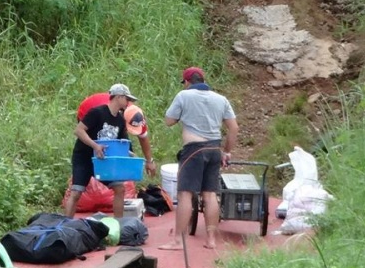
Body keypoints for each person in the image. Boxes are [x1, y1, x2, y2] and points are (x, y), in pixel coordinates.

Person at [159, 67, 239, 250]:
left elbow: (169, 121)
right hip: (214, 149)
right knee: (210, 195)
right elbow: (234, 128)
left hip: (193, 150)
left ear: (187, 82)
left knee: (185, 193)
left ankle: (178, 240)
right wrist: (226, 152)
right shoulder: (221, 99)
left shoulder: (183, 96)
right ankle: (211, 240)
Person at [65, 84, 156, 219]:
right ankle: (65, 225)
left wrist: (135, 158)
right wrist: (95, 146)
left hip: (104, 162)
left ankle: (118, 224)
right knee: (76, 192)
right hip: (84, 158)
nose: (128, 102)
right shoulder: (97, 112)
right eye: (127, 99)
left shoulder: (120, 120)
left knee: (120, 189)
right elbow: (78, 131)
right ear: (118, 97)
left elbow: (122, 145)